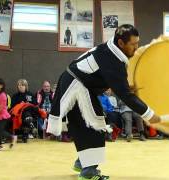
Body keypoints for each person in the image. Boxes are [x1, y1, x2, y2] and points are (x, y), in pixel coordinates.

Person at [46, 24, 162, 180]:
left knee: (91, 126)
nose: (136, 47)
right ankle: (88, 171)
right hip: (76, 88)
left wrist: (126, 88)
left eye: (137, 43)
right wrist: (149, 114)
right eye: (133, 44)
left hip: (78, 84)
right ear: (121, 43)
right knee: (93, 126)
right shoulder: (112, 58)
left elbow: (109, 81)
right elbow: (125, 95)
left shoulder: (111, 50)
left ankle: (83, 162)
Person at [0, 78, 17, 152]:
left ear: (1, 86)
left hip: (3, 116)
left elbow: (0, 107)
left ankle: (8, 139)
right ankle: (3, 143)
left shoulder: (2, 95)